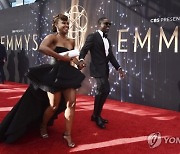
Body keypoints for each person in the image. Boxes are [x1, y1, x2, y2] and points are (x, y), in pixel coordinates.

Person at [0, 13, 85, 148]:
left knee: (72, 103)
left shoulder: (71, 40)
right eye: (63, 23)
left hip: (68, 73)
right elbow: (42, 48)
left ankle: (67, 134)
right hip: (53, 73)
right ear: (56, 25)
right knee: (54, 105)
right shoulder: (52, 38)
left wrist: (79, 63)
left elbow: (72, 57)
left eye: (68, 23)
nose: (66, 25)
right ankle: (43, 125)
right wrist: (60, 57)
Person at [79, 17, 125, 129]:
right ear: (99, 24)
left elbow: (111, 57)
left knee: (103, 91)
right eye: (106, 24)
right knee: (103, 90)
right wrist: (81, 59)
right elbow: (84, 49)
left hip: (104, 69)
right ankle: (97, 115)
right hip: (96, 69)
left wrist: (119, 68)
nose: (108, 26)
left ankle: (95, 115)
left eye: (110, 24)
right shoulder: (93, 37)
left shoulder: (108, 40)